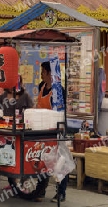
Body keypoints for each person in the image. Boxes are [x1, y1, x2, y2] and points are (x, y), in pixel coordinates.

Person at [37, 61, 68, 202]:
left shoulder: (58, 91)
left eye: (43, 71)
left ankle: (61, 192)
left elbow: (61, 111)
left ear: (50, 73)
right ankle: (40, 190)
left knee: (59, 162)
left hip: (56, 130)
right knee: (41, 160)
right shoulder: (41, 86)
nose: (41, 74)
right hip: (42, 129)